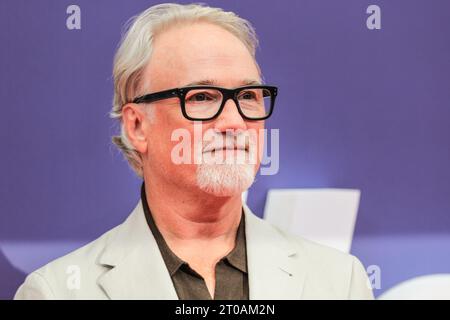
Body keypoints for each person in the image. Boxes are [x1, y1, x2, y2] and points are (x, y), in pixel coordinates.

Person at [15, 3, 373, 300]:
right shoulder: (58, 292)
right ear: (137, 126)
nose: (234, 122)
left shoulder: (339, 282)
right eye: (201, 97)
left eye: (248, 96)